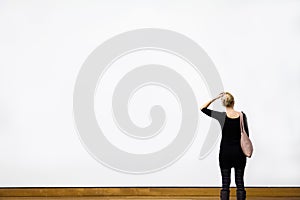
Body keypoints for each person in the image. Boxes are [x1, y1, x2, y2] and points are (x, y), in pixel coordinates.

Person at [200, 92, 249, 200]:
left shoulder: (221, 116)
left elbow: (202, 108)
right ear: (233, 102)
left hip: (225, 153)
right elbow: (246, 136)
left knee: (225, 184)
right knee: (240, 183)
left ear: (223, 104)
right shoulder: (242, 116)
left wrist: (215, 98)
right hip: (239, 153)